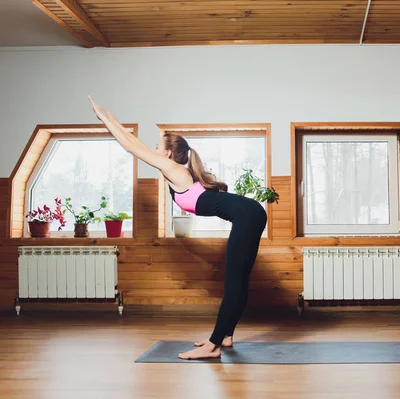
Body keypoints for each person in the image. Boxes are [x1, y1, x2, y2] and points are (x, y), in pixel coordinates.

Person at [88, 96, 267, 359]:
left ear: (167, 153)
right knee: (237, 281)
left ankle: (213, 345)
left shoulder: (172, 169)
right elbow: (134, 143)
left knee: (234, 283)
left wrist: (105, 119)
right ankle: (225, 335)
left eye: (156, 145)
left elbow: (130, 146)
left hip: (248, 214)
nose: (152, 148)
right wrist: (108, 116)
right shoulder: (176, 169)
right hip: (249, 213)